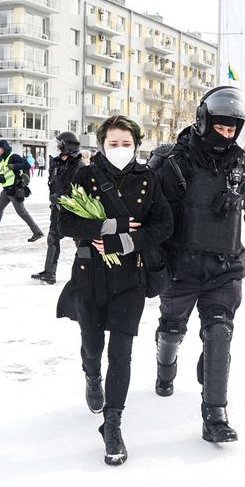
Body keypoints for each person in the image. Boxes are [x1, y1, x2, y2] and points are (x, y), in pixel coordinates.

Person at [151, 86, 245, 444]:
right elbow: (148, 214)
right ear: (204, 121)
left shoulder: (244, 167)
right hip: (180, 267)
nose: (225, 135)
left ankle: (215, 415)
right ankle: (165, 365)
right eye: (219, 128)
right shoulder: (172, 161)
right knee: (173, 328)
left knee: (219, 331)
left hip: (224, 268)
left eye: (232, 129)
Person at [56, 115, 172, 466]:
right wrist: (110, 224)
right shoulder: (84, 175)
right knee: (93, 345)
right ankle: (91, 376)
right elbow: (64, 221)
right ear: (101, 145)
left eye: (126, 144)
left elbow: (163, 225)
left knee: (121, 351)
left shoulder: (148, 178)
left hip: (130, 279)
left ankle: (113, 423)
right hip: (90, 275)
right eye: (113, 143)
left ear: (136, 145)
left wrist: (125, 241)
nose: (120, 149)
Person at [32, 132, 83, 285]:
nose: (57, 148)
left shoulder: (80, 167)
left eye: (60, 145)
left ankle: (86, 273)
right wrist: (55, 201)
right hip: (58, 209)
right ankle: (49, 273)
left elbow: (82, 193)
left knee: (81, 241)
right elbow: (53, 184)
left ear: (68, 147)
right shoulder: (57, 164)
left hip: (75, 212)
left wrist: (62, 197)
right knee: (52, 238)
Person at [0, 140, 43, 243]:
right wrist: (0, 179)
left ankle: (37, 232)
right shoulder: (2, 160)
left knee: (22, 212)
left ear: (4, 148)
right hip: (6, 190)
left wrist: (13, 166)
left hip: (15, 189)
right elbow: (6, 174)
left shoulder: (13, 157)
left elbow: (26, 165)